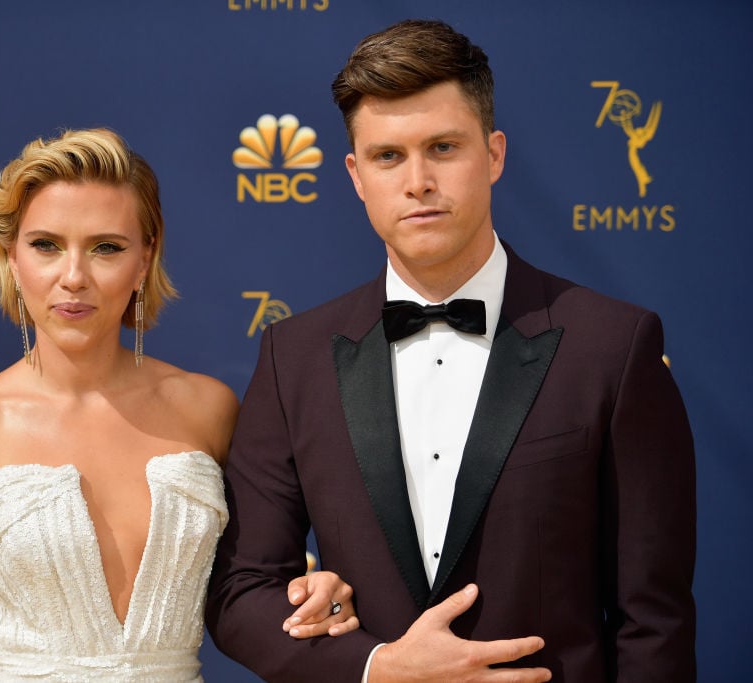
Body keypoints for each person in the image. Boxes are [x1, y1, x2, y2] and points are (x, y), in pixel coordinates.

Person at [206, 19, 696, 682]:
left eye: (442, 147)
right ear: (355, 174)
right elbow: (241, 593)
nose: (418, 181)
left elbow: (654, 622)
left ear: (493, 154)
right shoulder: (293, 357)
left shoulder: (612, 345)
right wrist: (375, 665)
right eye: (388, 156)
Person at [0, 128, 358, 683]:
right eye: (46, 245)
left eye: (106, 247)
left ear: (144, 260)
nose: (73, 277)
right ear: (11, 257)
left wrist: (315, 592)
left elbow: (256, 584)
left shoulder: (209, 411)